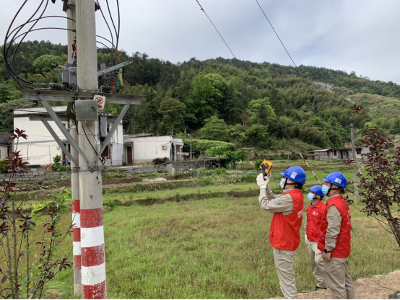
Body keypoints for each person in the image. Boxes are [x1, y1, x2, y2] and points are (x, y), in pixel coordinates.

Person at [257, 166, 306, 300]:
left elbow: (265, 204)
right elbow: (274, 200)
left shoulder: (289, 198)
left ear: (291, 182)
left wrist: (261, 186)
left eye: (285, 178)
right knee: (286, 279)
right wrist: (266, 188)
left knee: (287, 282)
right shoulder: (294, 196)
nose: (283, 180)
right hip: (288, 242)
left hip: (283, 244)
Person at [317, 172, 355, 300]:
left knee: (337, 287)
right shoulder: (342, 203)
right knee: (346, 282)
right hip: (343, 250)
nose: (324, 186)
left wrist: (327, 249)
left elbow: (332, 230)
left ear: (335, 188)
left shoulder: (334, 206)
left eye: (327, 183)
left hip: (335, 252)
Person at [304, 185, 326, 291]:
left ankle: (330, 282)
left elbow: (326, 225)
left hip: (318, 241)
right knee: (313, 264)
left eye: (312, 192)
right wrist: (305, 234)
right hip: (310, 239)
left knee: (319, 261)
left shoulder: (323, 208)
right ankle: (321, 285)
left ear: (318, 196)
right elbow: (307, 221)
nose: (310, 194)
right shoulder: (308, 207)